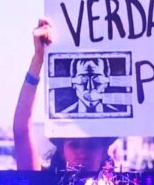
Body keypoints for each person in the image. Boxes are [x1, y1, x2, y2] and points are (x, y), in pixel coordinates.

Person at [12, 18, 115, 172]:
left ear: (103, 152)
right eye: (74, 144)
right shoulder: (44, 183)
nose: (82, 153)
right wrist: (38, 58)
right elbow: (21, 131)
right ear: (62, 151)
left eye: (91, 144)